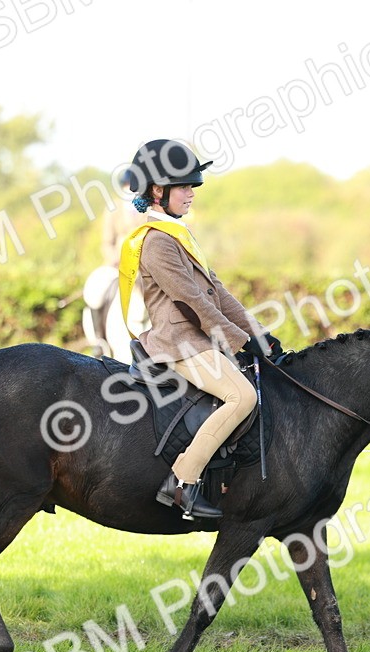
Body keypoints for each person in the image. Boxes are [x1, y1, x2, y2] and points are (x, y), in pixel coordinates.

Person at [120, 139, 282, 519]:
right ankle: (182, 482)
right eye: (184, 187)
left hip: (199, 340)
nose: (191, 193)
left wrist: (257, 333)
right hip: (178, 343)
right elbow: (191, 302)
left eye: (193, 186)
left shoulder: (179, 236)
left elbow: (218, 294)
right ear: (157, 191)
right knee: (242, 396)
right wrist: (240, 341)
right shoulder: (156, 243)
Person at [82, 172, 149, 360]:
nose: (131, 190)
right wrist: (115, 259)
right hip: (116, 265)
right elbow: (107, 242)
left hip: (144, 264)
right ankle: (100, 341)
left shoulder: (148, 209)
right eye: (127, 186)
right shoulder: (113, 210)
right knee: (96, 291)